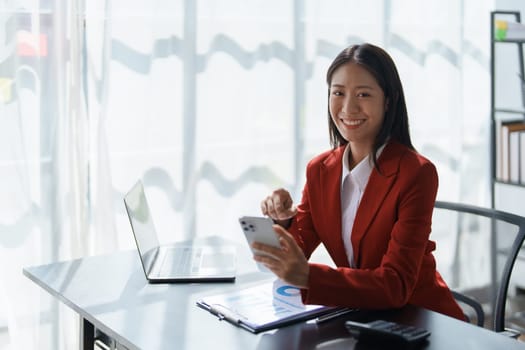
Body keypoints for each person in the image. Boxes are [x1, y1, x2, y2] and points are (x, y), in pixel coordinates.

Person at [254, 43, 465, 320]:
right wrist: (282, 222)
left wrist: (309, 277)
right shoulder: (320, 169)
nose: (348, 107)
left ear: (388, 101)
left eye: (363, 94)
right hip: (365, 316)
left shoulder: (416, 174)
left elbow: (396, 284)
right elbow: (298, 248)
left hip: (422, 318)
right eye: (338, 93)